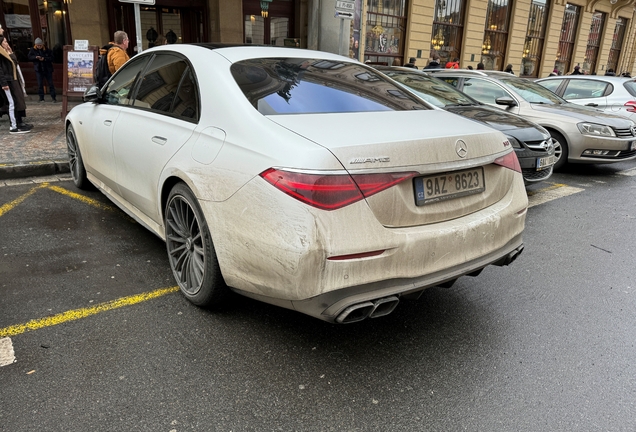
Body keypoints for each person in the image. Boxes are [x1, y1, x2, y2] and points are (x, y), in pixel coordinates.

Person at [0, 36, 31, 134]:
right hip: (7, 81)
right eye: (4, 42)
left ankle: (19, 122)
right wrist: (3, 83)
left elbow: (15, 62)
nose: (7, 43)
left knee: (17, 100)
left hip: (13, 79)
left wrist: (10, 52)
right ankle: (14, 126)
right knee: (11, 103)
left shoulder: (6, 52)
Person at [28, 37, 56, 102]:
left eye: (40, 45)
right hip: (39, 69)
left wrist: (44, 59)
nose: (39, 46)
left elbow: (52, 58)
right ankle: (41, 98)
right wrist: (36, 57)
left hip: (47, 69)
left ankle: (53, 97)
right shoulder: (33, 50)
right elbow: (29, 57)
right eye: (38, 45)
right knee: (40, 84)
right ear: (35, 45)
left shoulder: (47, 50)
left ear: (42, 44)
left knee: (51, 84)